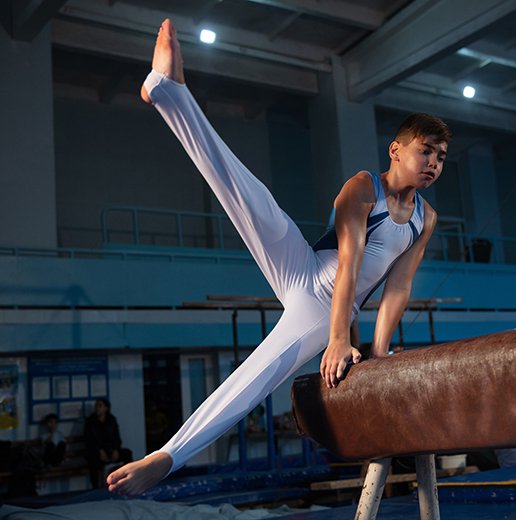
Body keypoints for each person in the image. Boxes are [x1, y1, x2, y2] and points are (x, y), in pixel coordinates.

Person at [106, 19, 449, 496]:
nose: (433, 162)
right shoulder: (362, 188)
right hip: (310, 275)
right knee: (253, 197)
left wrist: (380, 352)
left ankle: (167, 456)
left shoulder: (424, 218)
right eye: (425, 151)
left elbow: (398, 286)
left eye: (442, 156)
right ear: (395, 150)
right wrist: (336, 340)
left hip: (319, 308)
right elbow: (349, 264)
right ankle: (168, 91)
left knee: (258, 374)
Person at [84, 398, 133, 488]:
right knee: (93, 460)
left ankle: (127, 481)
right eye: (96, 406)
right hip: (97, 451)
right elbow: (89, 440)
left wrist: (116, 450)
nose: (97, 408)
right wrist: (100, 450)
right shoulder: (90, 421)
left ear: (106, 408)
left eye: (100, 406)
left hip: (110, 449)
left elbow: (117, 438)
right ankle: (95, 487)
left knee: (127, 453)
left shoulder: (111, 420)